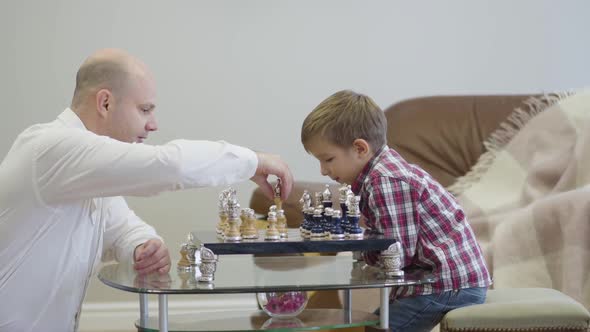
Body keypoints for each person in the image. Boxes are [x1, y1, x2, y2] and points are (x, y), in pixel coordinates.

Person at [0, 48, 293, 331]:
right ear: (105, 103)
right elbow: (167, 166)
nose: (153, 124)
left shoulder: (86, 173)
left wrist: (142, 245)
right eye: (144, 109)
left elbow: (121, 228)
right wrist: (253, 161)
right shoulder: (52, 148)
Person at [300, 90, 491, 332]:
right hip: (436, 282)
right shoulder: (378, 175)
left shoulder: (386, 181)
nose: (323, 171)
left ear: (360, 148)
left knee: (381, 328)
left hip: (448, 285)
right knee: (376, 322)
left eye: (328, 159)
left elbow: (397, 254)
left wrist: (365, 251)